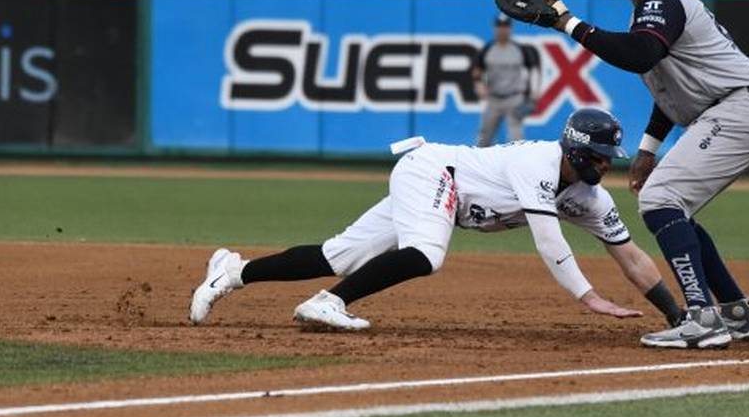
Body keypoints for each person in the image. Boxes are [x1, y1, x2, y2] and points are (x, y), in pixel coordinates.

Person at [502, 0, 749, 349]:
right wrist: (648, 150)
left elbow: (638, 56)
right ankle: (736, 312)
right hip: (738, 107)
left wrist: (568, 23)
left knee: (661, 200)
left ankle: (702, 318)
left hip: (742, 107)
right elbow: (667, 87)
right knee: (674, 206)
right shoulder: (652, 4)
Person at [190, 108, 685, 331]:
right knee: (426, 254)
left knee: (337, 255)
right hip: (434, 172)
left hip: (439, 188)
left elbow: (631, 256)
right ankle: (327, 303)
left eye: (608, 158)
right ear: (576, 150)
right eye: (599, 156)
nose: (605, 165)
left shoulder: (591, 199)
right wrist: (589, 297)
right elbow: (549, 240)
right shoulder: (538, 162)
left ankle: (232, 272)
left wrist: (675, 314)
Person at [472, 13, 541, 147]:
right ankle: (480, 165)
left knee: (516, 139)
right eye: (500, 26)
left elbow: (533, 70)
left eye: (505, 26)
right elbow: (477, 71)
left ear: (510, 28)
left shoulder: (519, 49)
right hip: (493, 99)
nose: (502, 30)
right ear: (495, 28)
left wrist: (533, 93)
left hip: (514, 98)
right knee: (484, 137)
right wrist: (479, 85)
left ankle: (517, 167)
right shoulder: (488, 49)